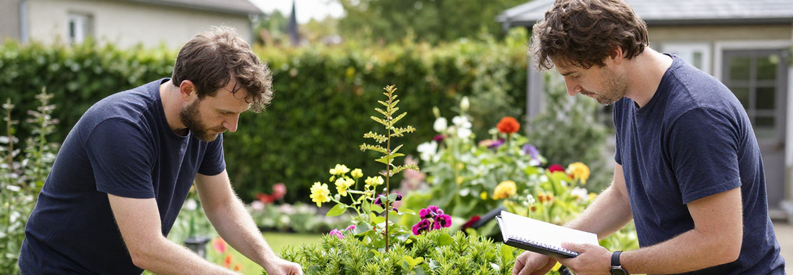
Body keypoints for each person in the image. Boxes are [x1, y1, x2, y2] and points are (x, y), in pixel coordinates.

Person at [513, 0, 786, 274]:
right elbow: (622, 196)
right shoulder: (626, 98)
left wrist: (614, 263)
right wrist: (552, 244)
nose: (571, 89)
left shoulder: (694, 115)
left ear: (613, 54)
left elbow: (720, 243)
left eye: (574, 75)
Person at [19, 26, 302, 275]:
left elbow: (222, 205)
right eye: (225, 112)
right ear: (188, 90)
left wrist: (269, 259)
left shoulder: (204, 126)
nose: (232, 126)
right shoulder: (121, 127)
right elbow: (145, 248)